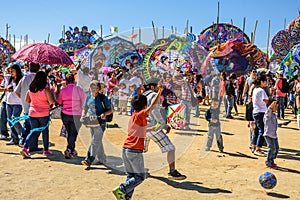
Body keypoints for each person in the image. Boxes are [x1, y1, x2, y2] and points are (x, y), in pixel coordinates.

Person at [112, 83, 163, 200]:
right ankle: (122, 189)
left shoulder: (134, 116)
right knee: (140, 177)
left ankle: (126, 197)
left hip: (126, 149)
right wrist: (159, 91)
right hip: (134, 150)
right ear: (145, 106)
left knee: (131, 176)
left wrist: (152, 128)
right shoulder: (141, 114)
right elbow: (154, 104)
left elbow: (139, 131)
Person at [143, 78, 186, 180]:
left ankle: (138, 170)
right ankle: (172, 171)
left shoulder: (143, 95)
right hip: (153, 126)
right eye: (159, 85)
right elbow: (154, 112)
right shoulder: (154, 95)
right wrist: (163, 124)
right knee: (170, 148)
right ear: (153, 87)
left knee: (141, 150)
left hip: (142, 127)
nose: (160, 86)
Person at [20, 71, 55, 158]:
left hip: (32, 113)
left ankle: (25, 147)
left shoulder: (31, 89)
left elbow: (27, 101)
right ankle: (46, 150)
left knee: (33, 131)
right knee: (45, 132)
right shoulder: (46, 89)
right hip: (43, 113)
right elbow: (51, 102)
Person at [81, 80, 113, 167]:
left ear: (99, 89)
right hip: (91, 122)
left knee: (95, 141)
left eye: (96, 88)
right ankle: (102, 159)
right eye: (92, 88)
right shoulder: (88, 97)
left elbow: (110, 110)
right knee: (97, 140)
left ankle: (89, 159)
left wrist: (105, 114)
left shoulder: (103, 98)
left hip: (101, 122)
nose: (94, 90)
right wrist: (83, 115)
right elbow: (85, 108)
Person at [58, 73, 86, 159]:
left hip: (65, 115)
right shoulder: (79, 89)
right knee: (73, 133)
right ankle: (69, 149)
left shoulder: (63, 90)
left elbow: (60, 102)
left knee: (70, 133)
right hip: (77, 114)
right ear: (74, 80)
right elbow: (84, 102)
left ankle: (72, 150)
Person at [15, 62, 41, 150]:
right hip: (37, 106)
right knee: (35, 127)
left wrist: (23, 98)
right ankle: (32, 146)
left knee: (27, 124)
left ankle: (22, 141)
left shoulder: (24, 78)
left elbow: (16, 91)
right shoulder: (39, 78)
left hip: (26, 105)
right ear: (38, 68)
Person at [3, 64, 23, 145]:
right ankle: (14, 139)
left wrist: (13, 90)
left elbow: (21, 91)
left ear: (17, 71)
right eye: (10, 71)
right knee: (10, 121)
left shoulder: (21, 79)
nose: (11, 72)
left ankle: (23, 136)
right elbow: (4, 74)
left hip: (18, 103)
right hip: (9, 102)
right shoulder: (9, 79)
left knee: (15, 120)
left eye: (13, 71)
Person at [252, 74, 268, 156]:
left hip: (256, 111)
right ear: (262, 82)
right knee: (262, 130)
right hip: (261, 111)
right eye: (265, 81)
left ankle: (254, 145)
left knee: (257, 130)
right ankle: (258, 148)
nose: (266, 83)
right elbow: (265, 100)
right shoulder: (261, 91)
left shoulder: (255, 89)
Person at [263, 100, 279, 169]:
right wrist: (272, 104)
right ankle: (268, 161)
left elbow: (275, 124)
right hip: (268, 134)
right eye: (276, 107)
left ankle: (271, 159)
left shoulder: (274, 115)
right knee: (271, 148)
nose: (276, 108)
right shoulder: (268, 114)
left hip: (274, 134)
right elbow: (268, 110)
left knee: (276, 148)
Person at [0, 67, 11, 140]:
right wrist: (5, 89)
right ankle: (3, 133)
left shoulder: (16, 79)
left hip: (13, 102)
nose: (8, 72)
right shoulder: (6, 79)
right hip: (5, 100)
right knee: (2, 117)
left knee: (12, 120)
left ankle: (16, 135)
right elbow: (2, 88)